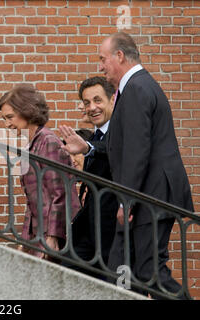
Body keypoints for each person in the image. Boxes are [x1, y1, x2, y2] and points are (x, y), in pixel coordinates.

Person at [62, 32, 194, 298]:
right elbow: (120, 147)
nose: (100, 66)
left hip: (151, 196)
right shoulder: (138, 87)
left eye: (103, 59)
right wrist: (88, 148)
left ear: (119, 56)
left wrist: (126, 201)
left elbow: (136, 152)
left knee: (149, 272)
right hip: (152, 195)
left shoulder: (135, 88)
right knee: (128, 270)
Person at [0, 83, 80, 262]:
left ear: (27, 111)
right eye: (4, 119)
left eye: (10, 117)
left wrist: (53, 235)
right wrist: (25, 240)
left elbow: (61, 193)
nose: (7, 124)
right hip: (39, 232)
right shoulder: (32, 144)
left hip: (54, 233)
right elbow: (32, 201)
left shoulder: (48, 141)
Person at [60, 76, 118, 280]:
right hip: (90, 230)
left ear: (113, 100)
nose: (92, 107)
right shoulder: (97, 135)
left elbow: (114, 149)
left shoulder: (123, 132)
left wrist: (88, 147)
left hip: (115, 232)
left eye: (98, 100)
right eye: (87, 103)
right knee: (65, 273)